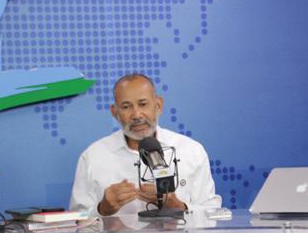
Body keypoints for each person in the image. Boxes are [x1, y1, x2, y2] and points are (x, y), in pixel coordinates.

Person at [70, 74, 221, 216]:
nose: (136, 115)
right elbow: (77, 218)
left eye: (143, 104)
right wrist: (101, 209)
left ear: (158, 105)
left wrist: (180, 207)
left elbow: (213, 212)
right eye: (126, 107)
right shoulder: (93, 156)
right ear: (115, 112)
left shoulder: (191, 150)